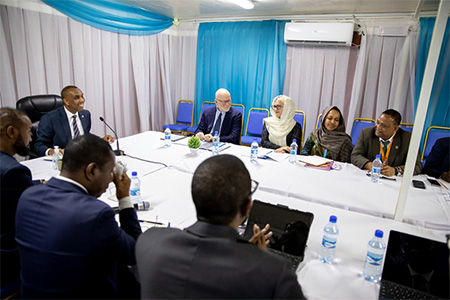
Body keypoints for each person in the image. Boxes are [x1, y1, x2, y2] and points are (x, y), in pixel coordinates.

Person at [136, 154, 305, 299]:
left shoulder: (149, 242)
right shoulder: (276, 274)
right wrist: (260, 260)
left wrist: (250, 254)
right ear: (246, 207)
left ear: (195, 197)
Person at [15, 134, 141, 299]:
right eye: (110, 172)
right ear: (91, 171)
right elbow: (134, 253)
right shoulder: (95, 214)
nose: (111, 180)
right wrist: (124, 199)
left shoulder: (28, 196)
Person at [0, 108, 42, 292]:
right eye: (27, 132)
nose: (30, 139)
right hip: (9, 258)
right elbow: (36, 212)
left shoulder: (10, 172)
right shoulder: (13, 171)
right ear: (11, 132)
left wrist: (38, 184)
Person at [34, 85, 115, 157]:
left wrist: (101, 140)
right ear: (66, 101)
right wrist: (50, 151)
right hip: (63, 160)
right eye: (77, 97)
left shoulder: (85, 114)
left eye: (82, 96)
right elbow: (39, 145)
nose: (82, 100)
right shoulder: (50, 118)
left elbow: (84, 134)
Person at [351, 109, 423, 176]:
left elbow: (417, 166)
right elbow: (355, 155)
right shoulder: (366, 133)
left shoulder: (408, 139)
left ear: (395, 128)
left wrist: (396, 170)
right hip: (371, 176)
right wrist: (369, 165)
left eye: (384, 126)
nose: (378, 127)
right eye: (378, 122)